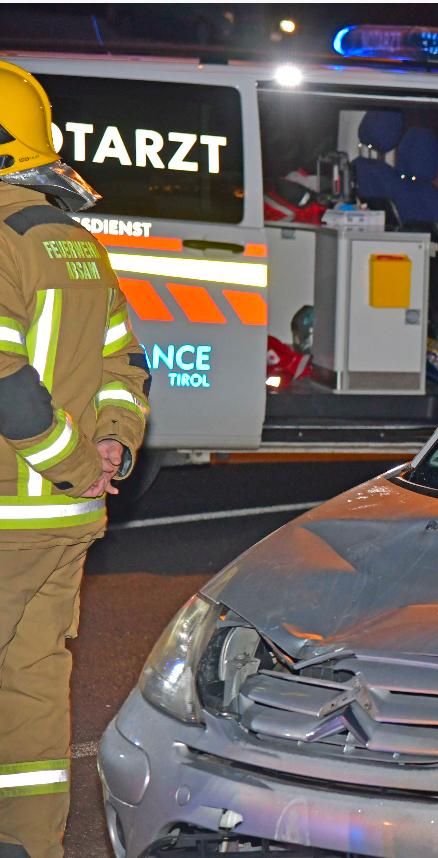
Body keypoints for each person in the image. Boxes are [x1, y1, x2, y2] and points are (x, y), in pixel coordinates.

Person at [0, 61, 150, 858]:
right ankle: (29, 844)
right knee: (29, 687)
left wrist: (66, 459)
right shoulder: (74, 240)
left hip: (10, 511)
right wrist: (110, 448)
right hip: (62, 521)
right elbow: (130, 363)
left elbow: (4, 377)